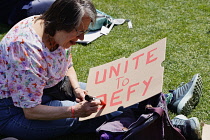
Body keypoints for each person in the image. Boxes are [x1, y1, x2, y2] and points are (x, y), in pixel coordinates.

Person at [0, 0, 202, 139]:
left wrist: (77, 89)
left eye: (84, 32)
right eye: (78, 32)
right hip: (15, 113)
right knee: (91, 115)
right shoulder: (25, 50)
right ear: (61, 23)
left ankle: (166, 100)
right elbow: (31, 111)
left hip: (49, 89)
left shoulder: (51, 28)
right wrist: (73, 110)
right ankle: (168, 124)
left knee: (111, 92)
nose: (81, 38)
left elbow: (66, 63)